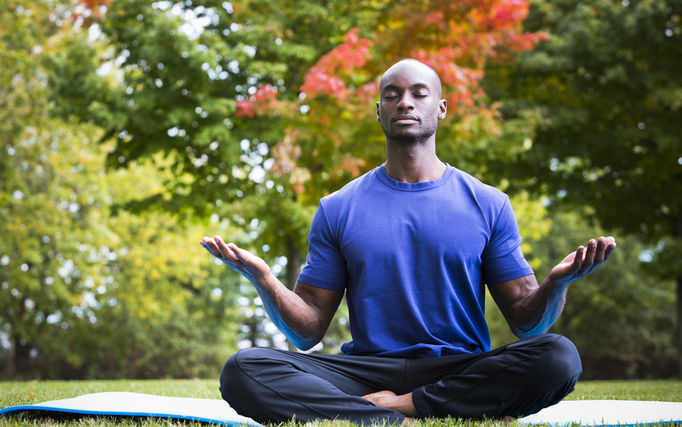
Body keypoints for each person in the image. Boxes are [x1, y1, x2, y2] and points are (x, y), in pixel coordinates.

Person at [200, 59, 617, 425]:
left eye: (419, 93)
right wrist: (265, 280)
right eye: (392, 94)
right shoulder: (337, 207)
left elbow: (529, 324)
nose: (405, 102)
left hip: (458, 367)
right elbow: (308, 332)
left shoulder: (489, 203)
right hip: (365, 370)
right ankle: (427, 414)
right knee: (244, 368)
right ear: (378, 110)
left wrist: (557, 284)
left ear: (441, 108)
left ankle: (397, 408)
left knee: (559, 356)